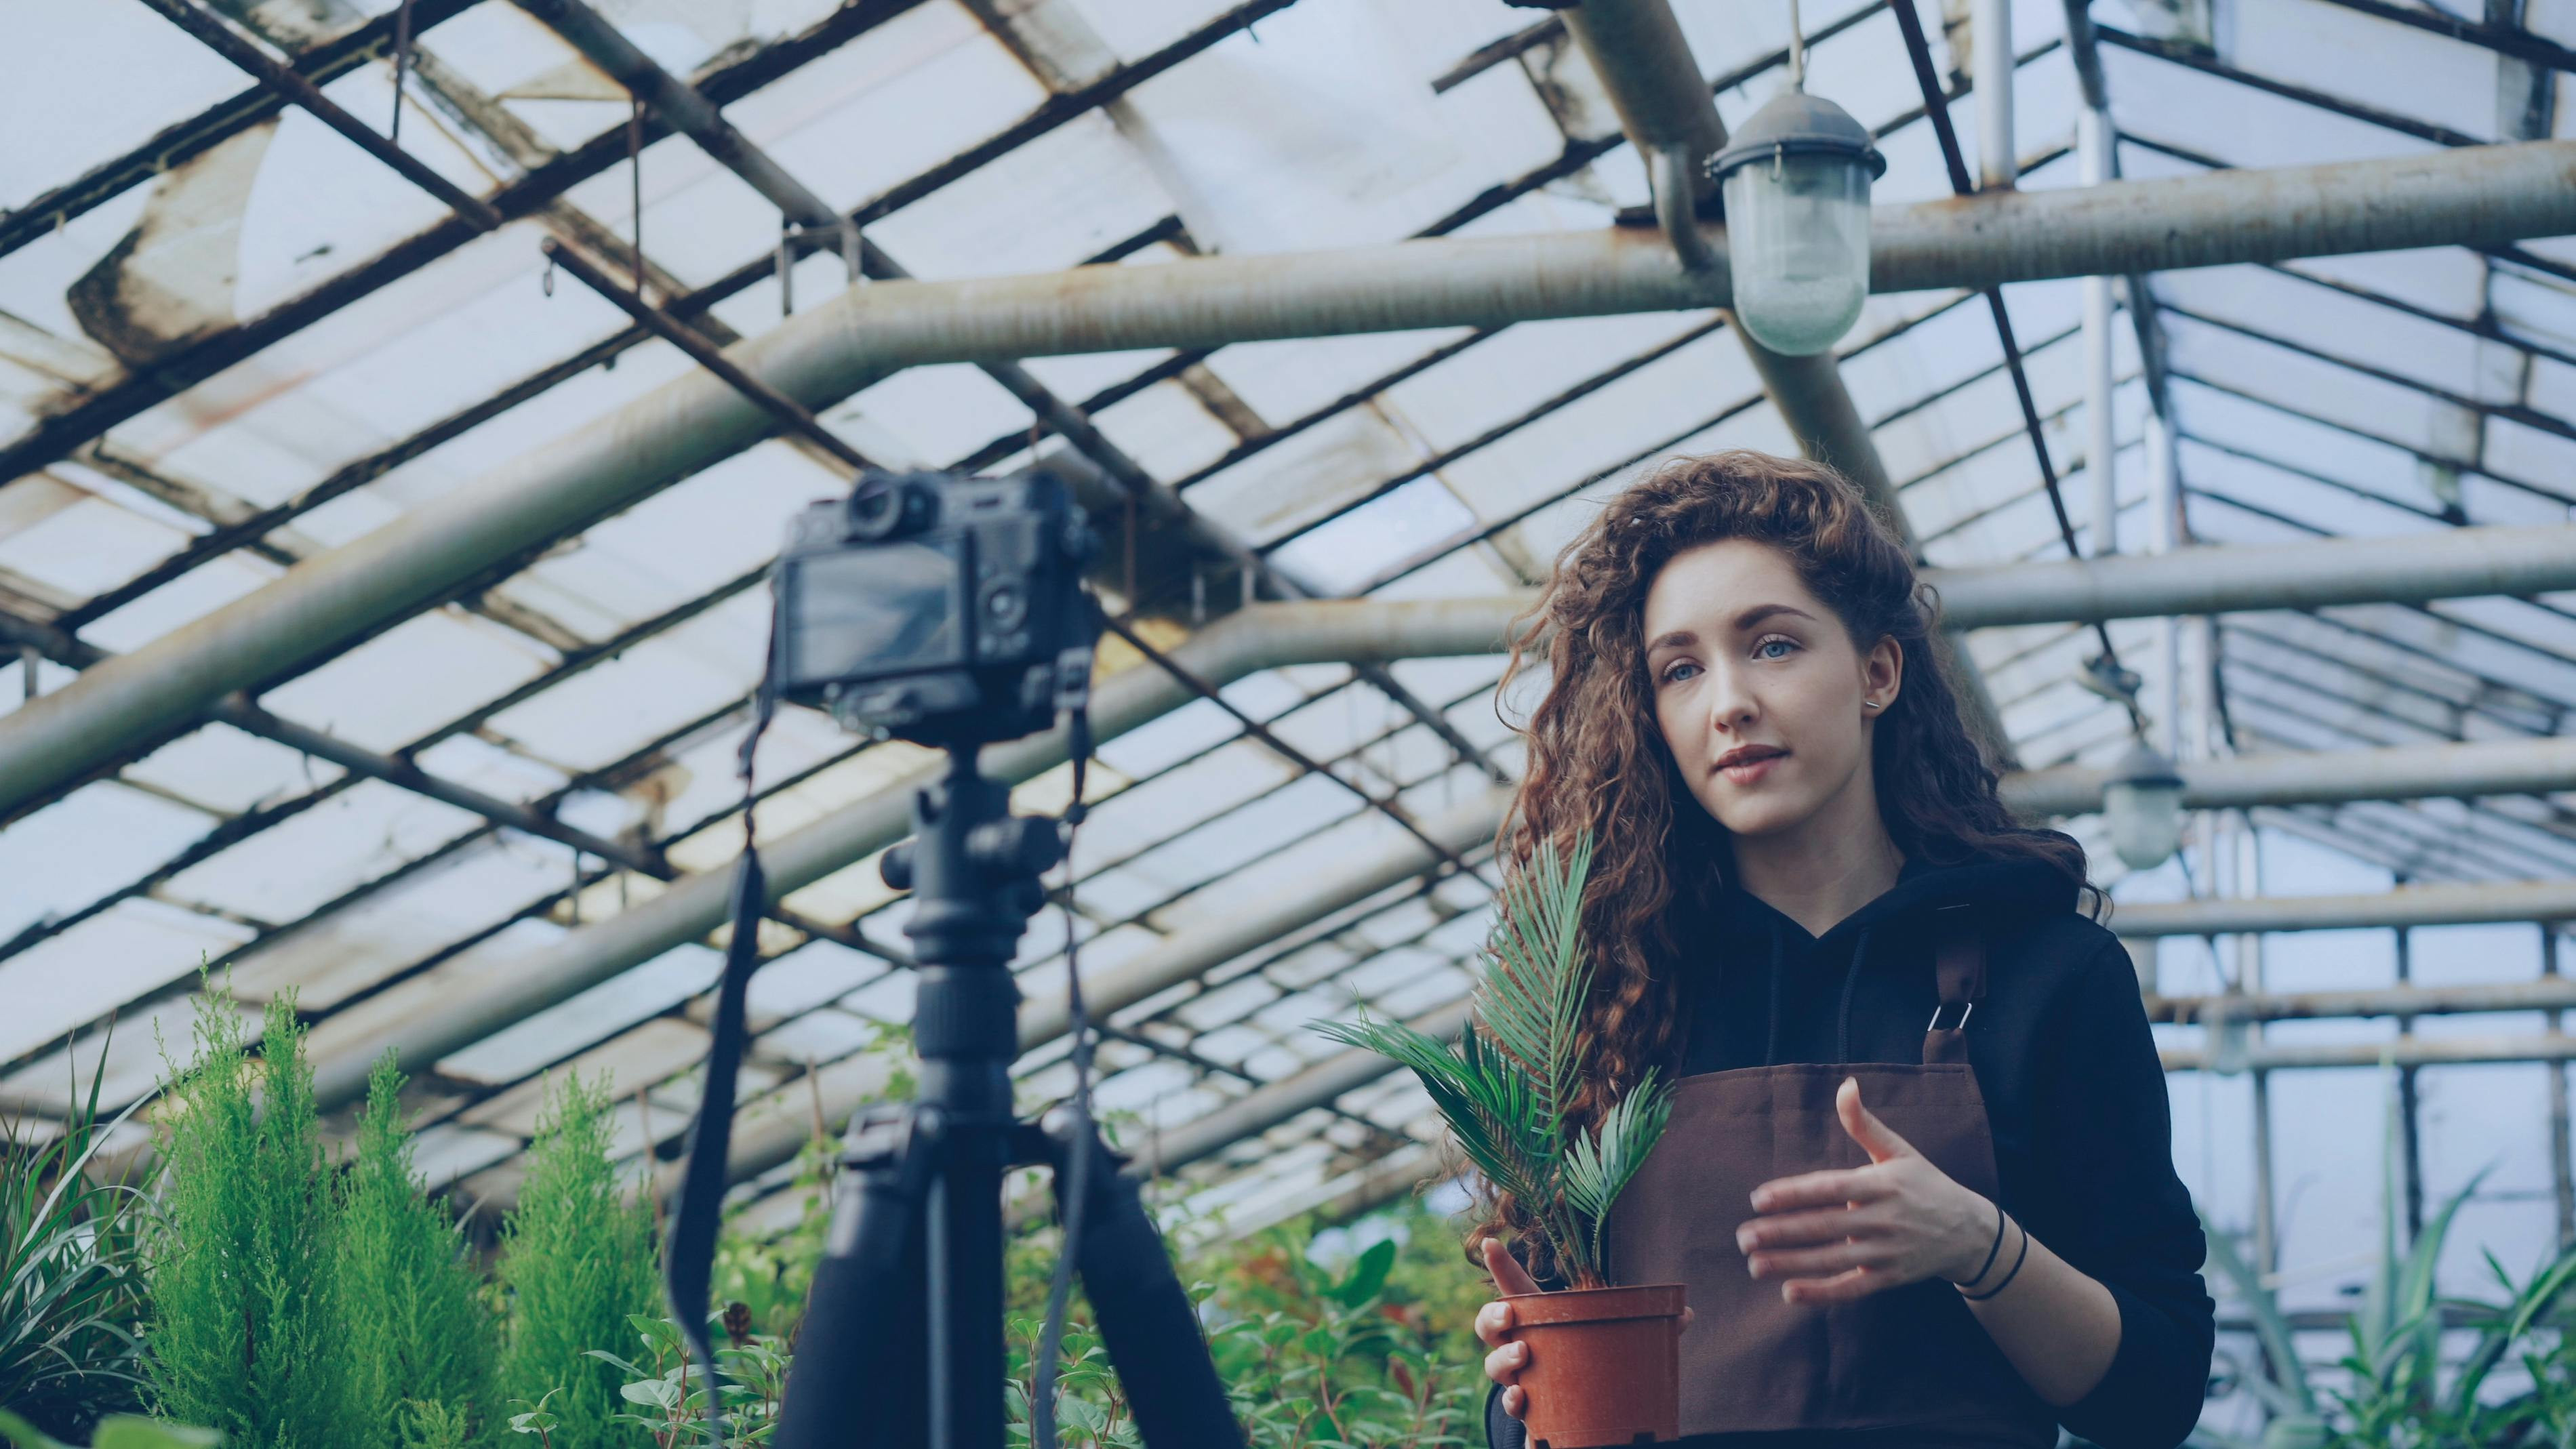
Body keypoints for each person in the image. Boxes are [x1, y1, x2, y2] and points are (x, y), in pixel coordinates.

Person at [1472, 452, 2213, 1448]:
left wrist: (1975, 1245)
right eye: (1680, 669)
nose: (1727, 700)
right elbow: (1535, 1421)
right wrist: (1527, 1382)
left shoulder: (2050, 976)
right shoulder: (1608, 999)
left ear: (1878, 671)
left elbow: (2153, 1396)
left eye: (1771, 646)